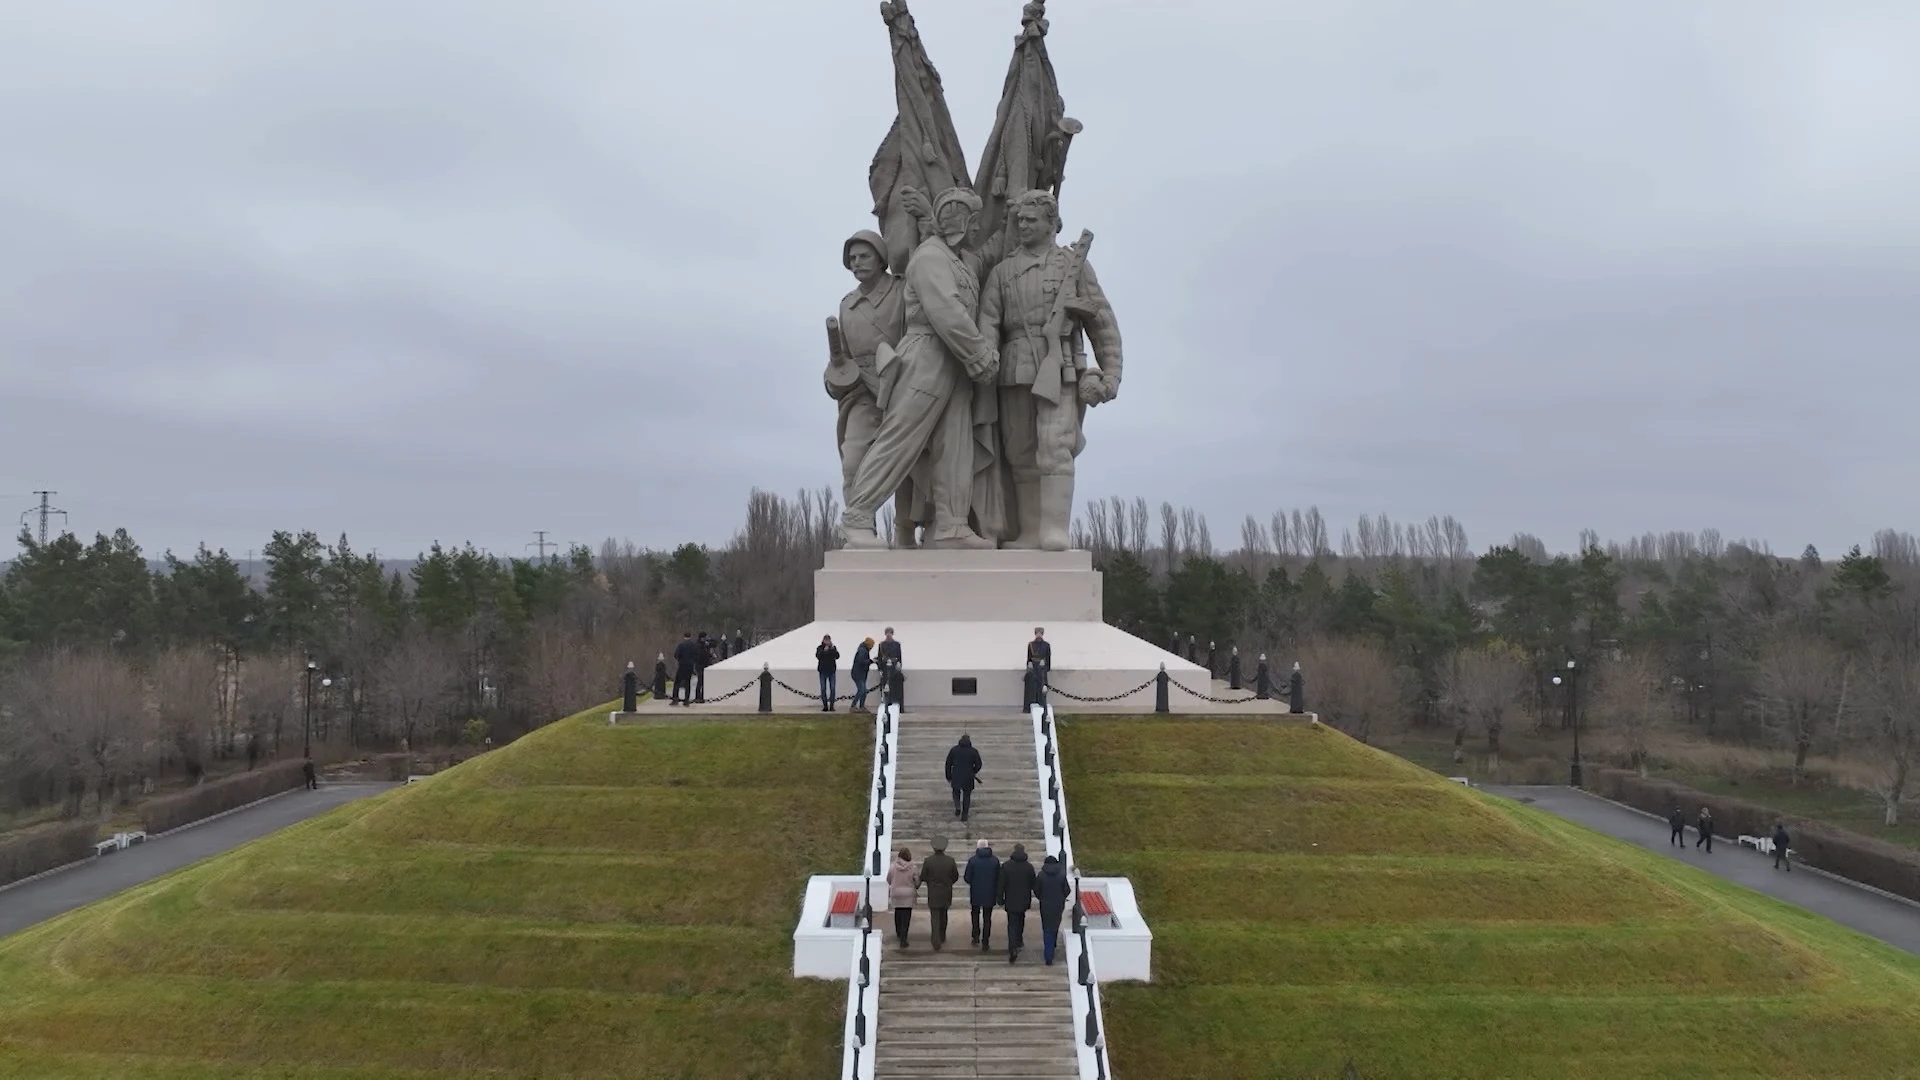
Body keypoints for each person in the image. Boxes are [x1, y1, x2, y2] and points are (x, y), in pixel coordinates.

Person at [977, 189, 1123, 551]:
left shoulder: (1073, 265)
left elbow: (1102, 322)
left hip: (1062, 369)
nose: (1023, 226)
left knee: (1056, 448)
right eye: (1020, 220)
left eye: (1031, 220)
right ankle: (1029, 533)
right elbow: (989, 322)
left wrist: (1111, 374)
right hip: (1012, 370)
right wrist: (983, 362)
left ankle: (1054, 531)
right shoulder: (1003, 272)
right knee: (1021, 453)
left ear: (1050, 223)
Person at [998, 843, 1037, 963]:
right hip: (1024, 899)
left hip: (1011, 900)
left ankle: (1012, 947)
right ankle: (1019, 940)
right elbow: (1033, 884)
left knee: (1012, 924)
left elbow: (1001, 884)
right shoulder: (1029, 867)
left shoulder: (1006, 866)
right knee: (1021, 920)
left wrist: (1000, 899)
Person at [920, 837, 960, 951]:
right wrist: (948, 883)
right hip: (946, 891)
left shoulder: (928, 861)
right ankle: (942, 936)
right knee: (944, 915)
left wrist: (929, 882)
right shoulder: (950, 860)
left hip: (933, 892)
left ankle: (935, 940)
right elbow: (955, 876)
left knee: (935, 917)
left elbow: (923, 876)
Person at [1035, 853, 1071, 966]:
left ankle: (1048, 955)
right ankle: (1053, 945)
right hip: (1058, 905)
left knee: (1047, 929)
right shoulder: (1061, 875)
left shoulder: (1041, 875)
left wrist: (1041, 898)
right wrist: (1061, 898)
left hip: (1045, 905)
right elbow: (1067, 890)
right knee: (1055, 925)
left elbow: (1036, 890)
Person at [965, 841, 1000, 951]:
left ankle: (975, 936)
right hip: (990, 892)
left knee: (975, 914)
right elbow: (999, 877)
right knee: (987, 918)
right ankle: (985, 941)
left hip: (976, 891)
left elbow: (967, 877)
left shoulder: (973, 860)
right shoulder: (995, 860)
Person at [886, 847, 919, 949]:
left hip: (896, 893)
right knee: (906, 917)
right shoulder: (913, 867)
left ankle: (899, 933)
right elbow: (916, 881)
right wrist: (915, 886)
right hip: (908, 894)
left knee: (898, 913)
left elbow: (888, 879)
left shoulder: (893, 866)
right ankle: (903, 939)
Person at [945, 734, 982, 822]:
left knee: (955, 792)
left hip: (956, 775)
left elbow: (948, 764)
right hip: (968, 777)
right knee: (967, 795)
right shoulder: (973, 751)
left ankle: (958, 807)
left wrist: (948, 776)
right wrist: (973, 771)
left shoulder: (954, 750)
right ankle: (964, 814)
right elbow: (979, 764)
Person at [670, 632, 700, 707]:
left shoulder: (681, 645)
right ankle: (686, 700)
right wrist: (692, 661)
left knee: (677, 683)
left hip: (682, 665)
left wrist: (681, 660)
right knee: (687, 683)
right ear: (691, 636)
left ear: (684, 636)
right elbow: (696, 656)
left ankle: (675, 699)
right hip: (690, 666)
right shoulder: (694, 645)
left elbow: (676, 655)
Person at [815, 635, 841, 712]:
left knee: (832, 688)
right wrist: (824, 651)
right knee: (823, 689)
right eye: (826, 640)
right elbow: (818, 656)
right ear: (823, 640)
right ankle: (825, 706)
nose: (827, 642)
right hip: (823, 671)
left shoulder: (833, 647)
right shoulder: (820, 648)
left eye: (828, 640)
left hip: (831, 671)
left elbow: (837, 656)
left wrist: (833, 650)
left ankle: (832, 706)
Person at [850, 637, 875, 711]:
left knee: (863, 690)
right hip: (858, 673)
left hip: (861, 673)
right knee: (862, 690)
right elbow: (862, 661)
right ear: (869, 645)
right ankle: (853, 706)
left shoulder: (863, 649)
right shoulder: (863, 650)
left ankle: (861, 706)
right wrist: (871, 661)